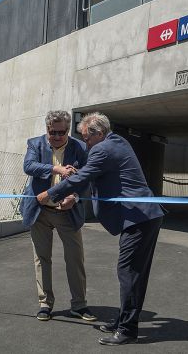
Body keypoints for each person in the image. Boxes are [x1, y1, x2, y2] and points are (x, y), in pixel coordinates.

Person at [37, 113, 165, 345]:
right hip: (142, 217)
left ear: (99, 134)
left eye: (86, 138)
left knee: (129, 273)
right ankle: (123, 321)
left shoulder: (102, 149)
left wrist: (50, 194)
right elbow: (92, 175)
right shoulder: (118, 141)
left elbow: (83, 177)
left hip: (138, 218)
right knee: (130, 273)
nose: (85, 144)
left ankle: (127, 330)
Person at [20, 110, 96, 322]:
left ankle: (79, 305)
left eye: (61, 132)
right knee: (42, 259)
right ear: (47, 129)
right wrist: (57, 169)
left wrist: (75, 197)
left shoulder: (80, 147)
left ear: (69, 129)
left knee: (75, 258)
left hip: (68, 213)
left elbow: (87, 179)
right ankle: (45, 304)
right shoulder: (35, 144)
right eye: (52, 132)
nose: (56, 136)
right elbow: (29, 166)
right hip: (40, 211)